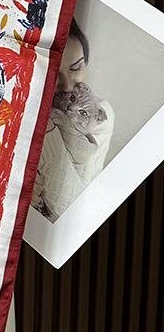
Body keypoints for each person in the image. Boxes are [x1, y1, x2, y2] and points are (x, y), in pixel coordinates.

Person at [32, 19, 115, 222]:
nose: (68, 86)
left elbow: (71, 204)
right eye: (54, 74)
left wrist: (50, 130)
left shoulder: (99, 112)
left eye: (76, 68)